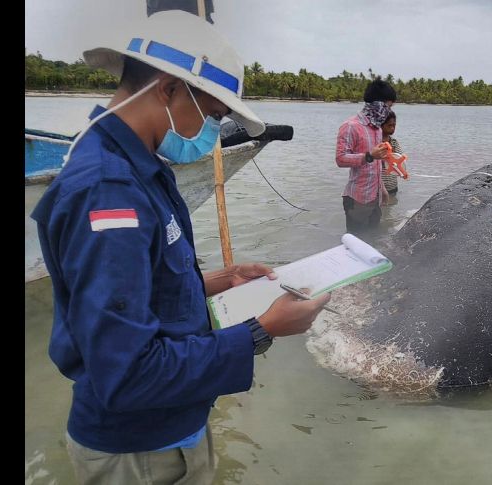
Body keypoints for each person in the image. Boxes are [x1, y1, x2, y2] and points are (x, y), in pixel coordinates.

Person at [30, 11, 330, 485]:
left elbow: (137, 292)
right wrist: (261, 330)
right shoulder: (109, 193)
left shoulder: (141, 168)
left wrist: (217, 281)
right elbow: (127, 374)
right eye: (214, 115)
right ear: (169, 89)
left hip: (170, 427)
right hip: (139, 449)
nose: (212, 132)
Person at [335, 79, 397, 235]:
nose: (388, 112)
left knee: (372, 240)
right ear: (376, 105)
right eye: (387, 107)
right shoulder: (350, 126)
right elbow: (340, 159)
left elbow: (376, 165)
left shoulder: (377, 129)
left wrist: (382, 189)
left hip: (375, 198)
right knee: (355, 242)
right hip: (357, 200)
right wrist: (369, 156)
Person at [380, 111, 404, 195]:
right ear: (381, 125)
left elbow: (400, 159)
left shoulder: (394, 142)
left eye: (394, 125)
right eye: (389, 125)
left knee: (392, 203)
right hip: (378, 188)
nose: (393, 128)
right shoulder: (376, 143)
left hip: (392, 187)